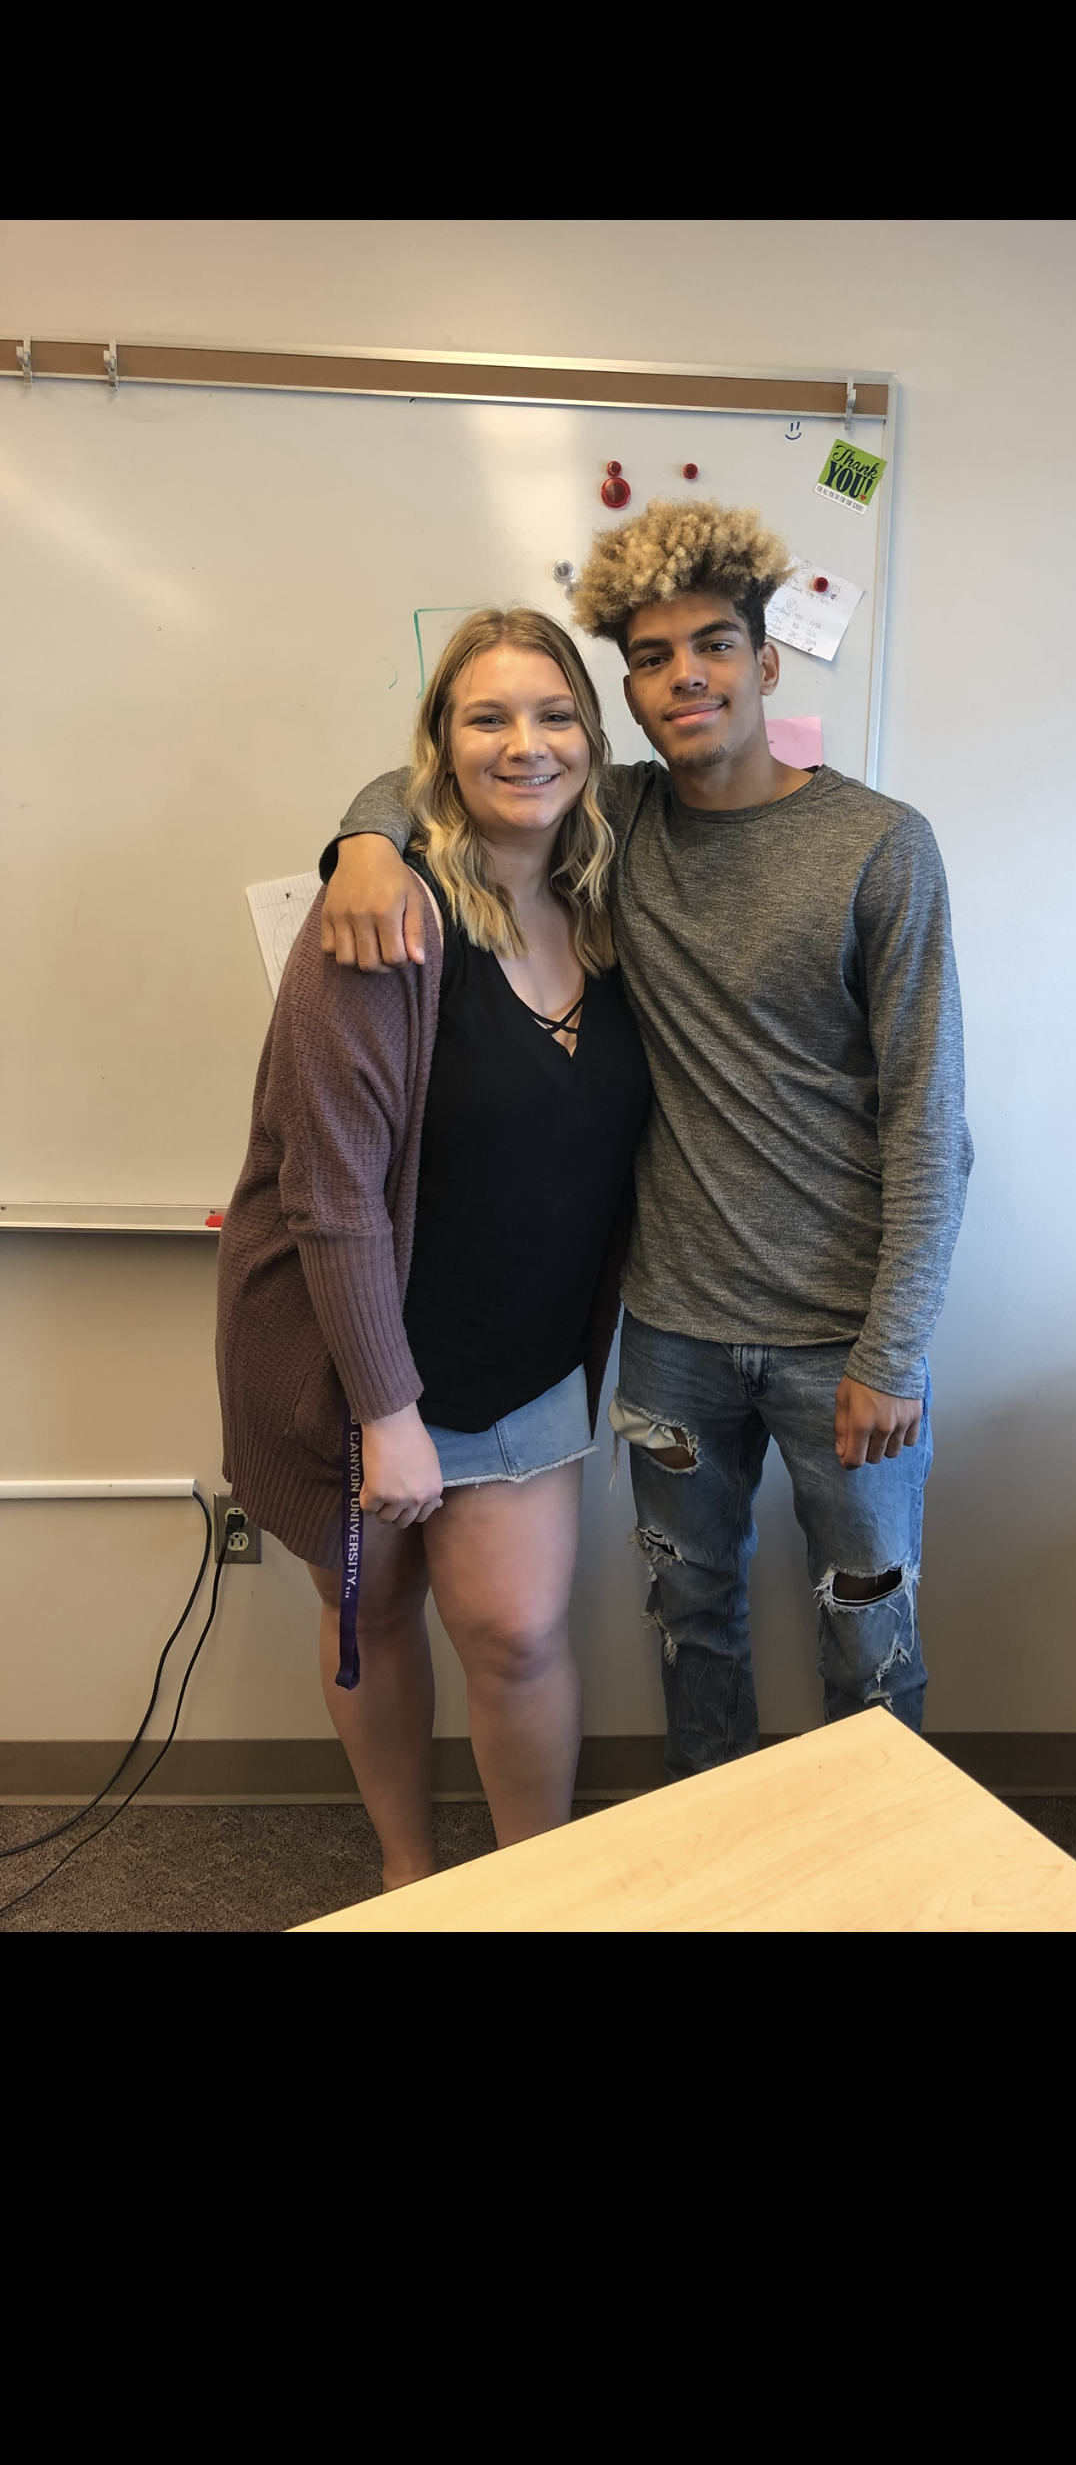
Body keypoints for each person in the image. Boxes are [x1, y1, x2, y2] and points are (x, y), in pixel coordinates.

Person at [321, 500, 973, 1778]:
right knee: (692, 1622)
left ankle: (883, 1861)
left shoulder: (880, 847)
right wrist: (363, 848)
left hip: (845, 1336)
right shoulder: (609, 821)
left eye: (715, 646)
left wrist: (895, 1349)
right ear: (625, 692)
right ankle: (709, 1851)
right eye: (654, 658)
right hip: (672, 1331)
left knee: (871, 1633)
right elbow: (433, 777)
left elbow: (931, 1120)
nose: (688, 676)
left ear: (766, 661)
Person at [216, 609, 650, 1885]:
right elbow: (331, 1192)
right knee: (376, 1611)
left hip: (526, 1357)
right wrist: (387, 1411)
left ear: (594, 737)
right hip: (352, 1361)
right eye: (486, 718)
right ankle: (408, 1879)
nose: (526, 744)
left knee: (516, 1635)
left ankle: (529, 1897)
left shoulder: (619, 903)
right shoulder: (382, 919)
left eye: (555, 714)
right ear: (439, 747)